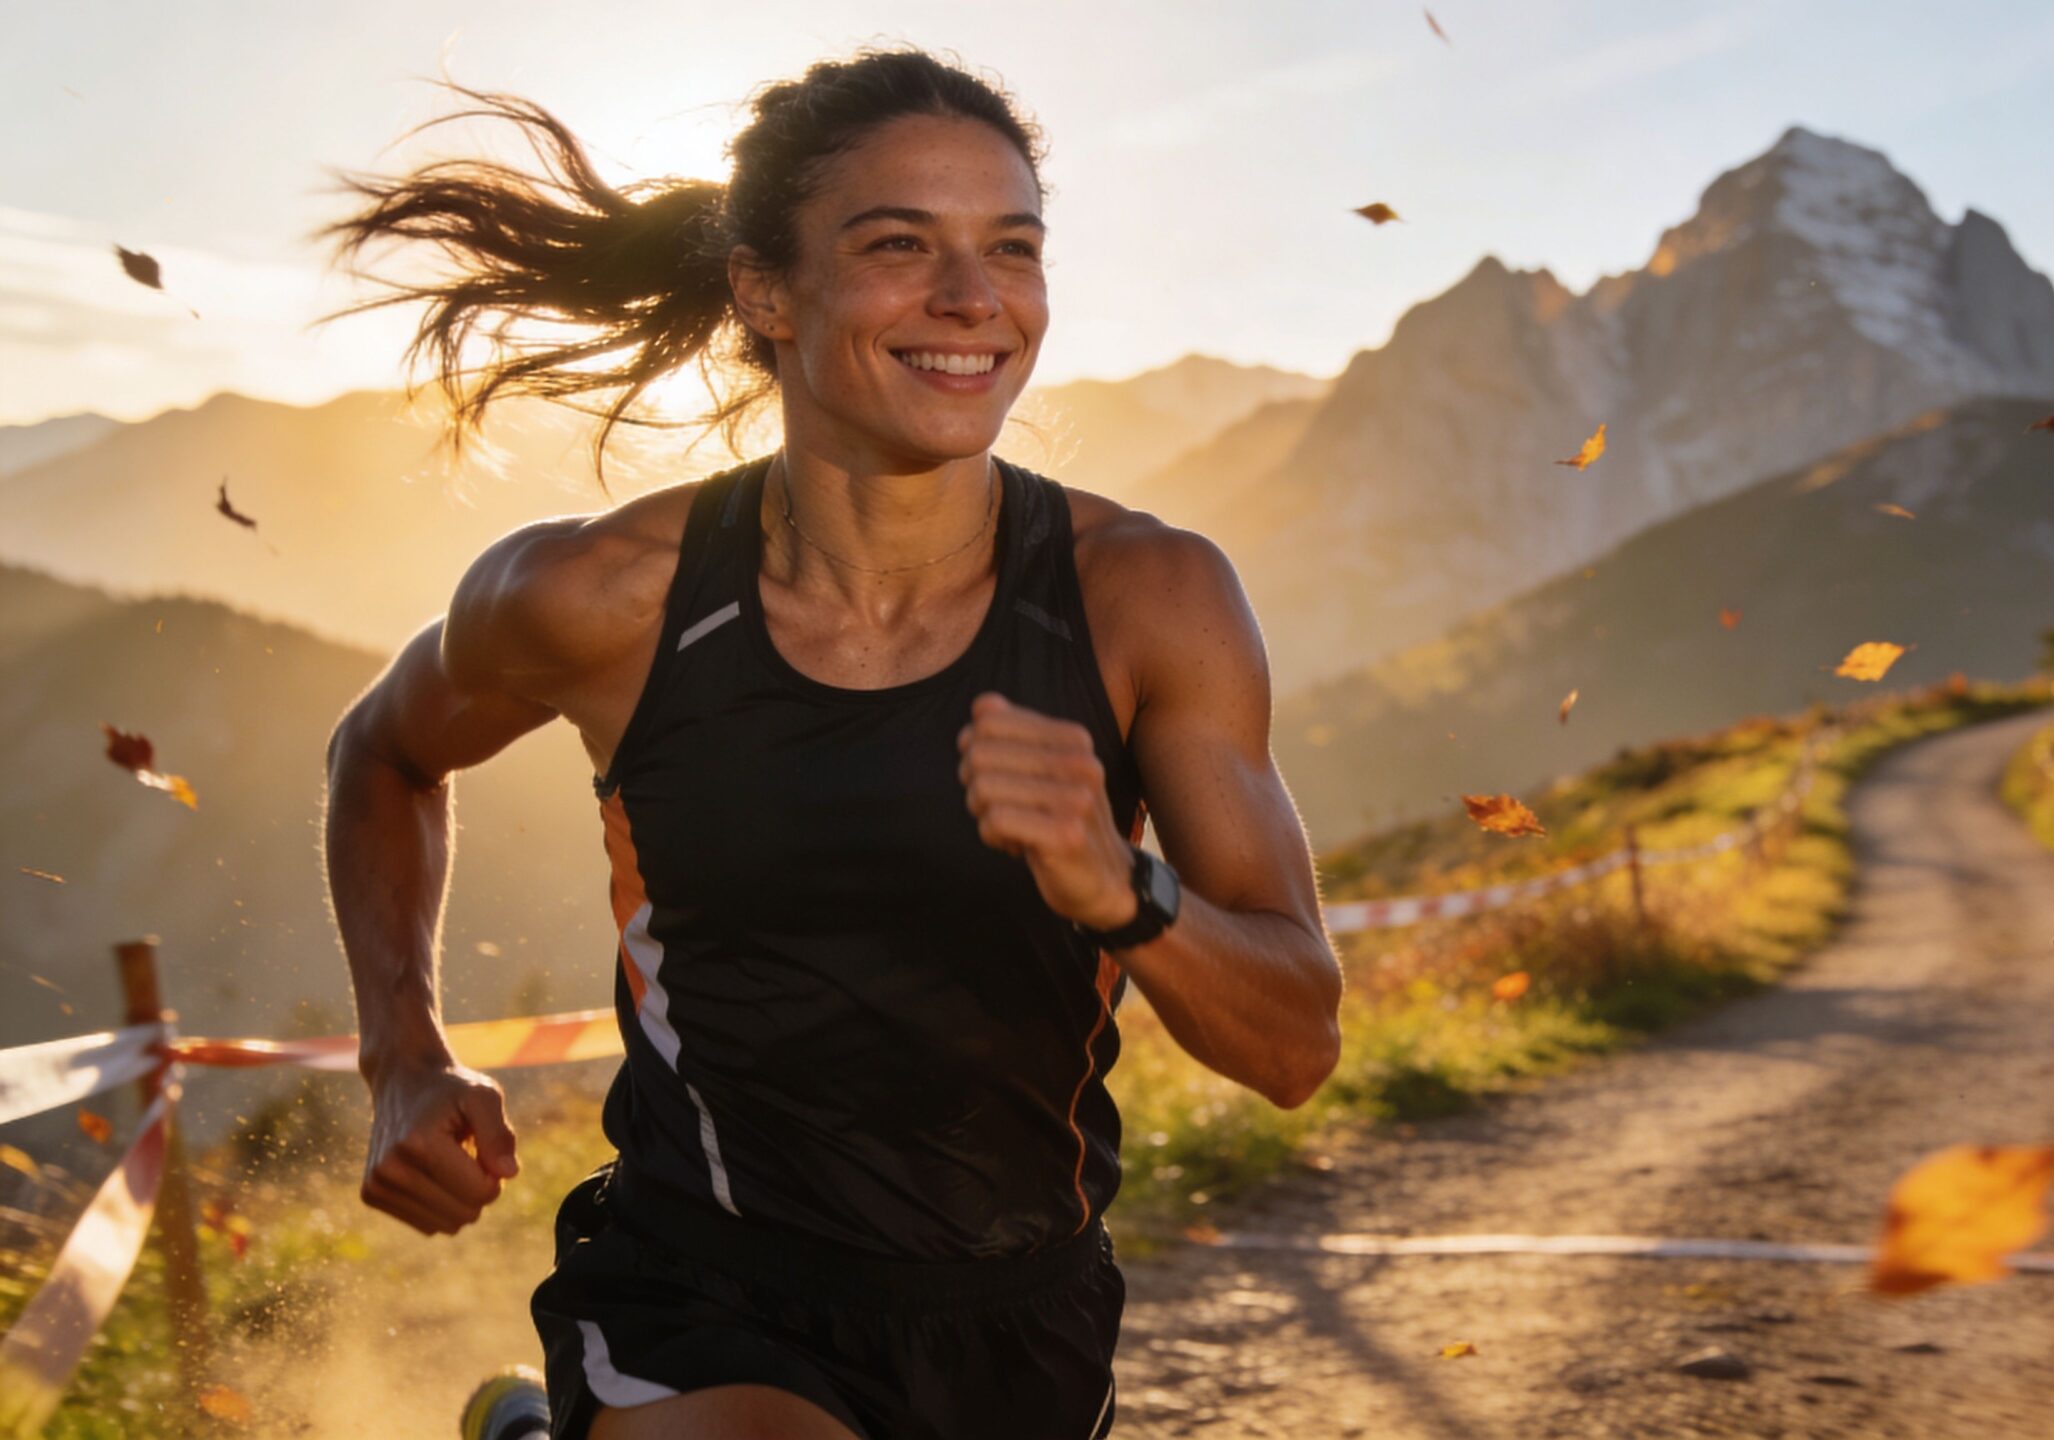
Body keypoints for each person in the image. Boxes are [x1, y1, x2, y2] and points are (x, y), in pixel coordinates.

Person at [316, 48, 1344, 1440]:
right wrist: (404, 1056)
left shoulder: (1148, 599)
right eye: (898, 245)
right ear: (763, 290)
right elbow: (381, 753)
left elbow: (1295, 1046)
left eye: (1013, 247)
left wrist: (1129, 893)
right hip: (705, 1286)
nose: (975, 299)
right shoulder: (600, 597)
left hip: (1021, 1321)